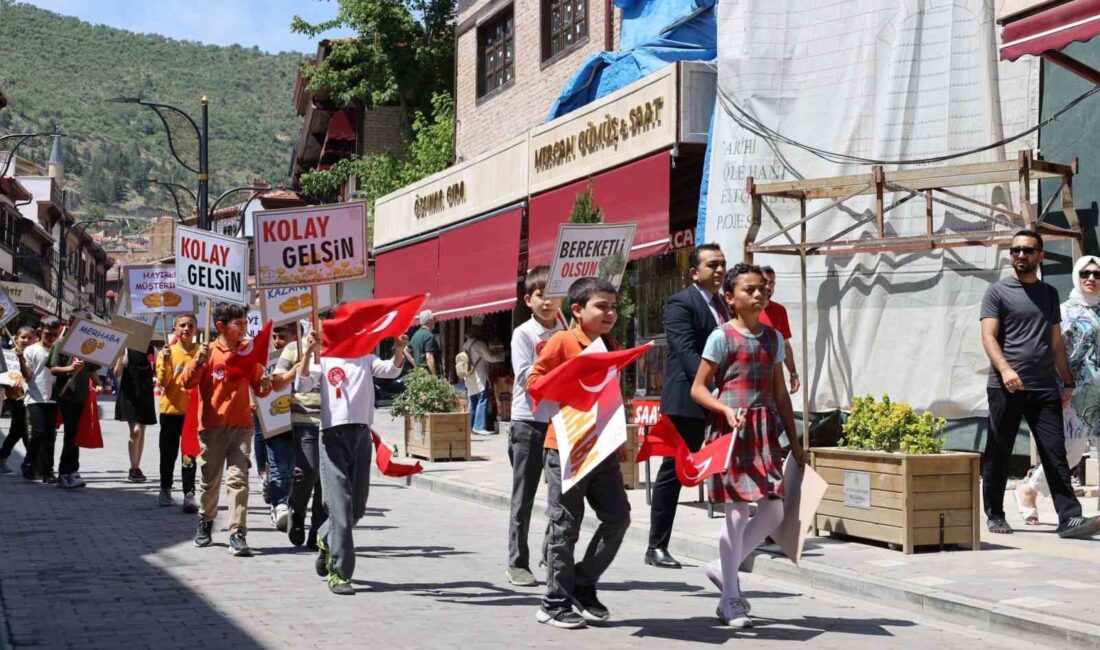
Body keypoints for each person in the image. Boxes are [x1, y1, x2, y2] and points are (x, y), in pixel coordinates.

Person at [690, 263, 809, 627]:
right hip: (732, 432)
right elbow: (698, 388)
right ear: (730, 298)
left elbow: (779, 394)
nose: (758, 294)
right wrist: (724, 408)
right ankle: (730, 599)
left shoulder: (773, 339)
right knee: (738, 514)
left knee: (773, 513)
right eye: (749, 290)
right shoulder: (721, 337)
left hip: (765, 433)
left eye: (762, 289)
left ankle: (721, 567)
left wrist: (796, 441)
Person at [980, 230, 1099, 539]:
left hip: (1044, 386)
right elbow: (988, 337)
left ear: (1040, 255)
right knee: (1000, 450)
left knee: (1054, 452)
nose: (1021, 255)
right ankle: (994, 513)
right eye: (1016, 250)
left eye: (1028, 250)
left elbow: (1056, 342)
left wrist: (1068, 380)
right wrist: (1005, 370)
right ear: (1011, 254)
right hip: (1006, 386)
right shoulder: (997, 292)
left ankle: (1069, 518)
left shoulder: (1048, 293)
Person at [529, 277, 630, 630]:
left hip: (601, 449)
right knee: (564, 526)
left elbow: (609, 396)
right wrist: (566, 379)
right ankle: (553, 602)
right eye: (601, 306)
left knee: (618, 517)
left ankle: (583, 585)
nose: (610, 313)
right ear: (576, 309)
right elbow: (534, 383)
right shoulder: (562, 341)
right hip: (566, 447)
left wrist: (618, 440)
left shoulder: (608, 344)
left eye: (612, 306)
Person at [295, 318, 406, 595]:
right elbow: (302, 384)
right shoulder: (325, 360)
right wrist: (308, 353)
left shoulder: (366, 359)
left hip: (361, 435)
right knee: (340, 509)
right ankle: (341, 573)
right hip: (332, 436)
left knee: (356, 507)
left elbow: (391, 371)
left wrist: (399, 349)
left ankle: (324, 536)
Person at [647, 243, 728, 569]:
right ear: (695, 272)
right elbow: (685, 352)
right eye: (712, 265)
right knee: (674, 472)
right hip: (688, 401)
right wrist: (713, 387)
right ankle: (656, 546)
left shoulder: (722, 304)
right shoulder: (681, 303)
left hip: (718, 400)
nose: (720, 270)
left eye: (722, 264)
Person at [1015, 254, 1100, 524]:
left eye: (1098, 275)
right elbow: (1052, 349)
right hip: (1071, 392)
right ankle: (1029, 490)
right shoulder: (1064, 311)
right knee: (1070, 451)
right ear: (1077, 276)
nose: (1091, 279)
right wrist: (1059, 385)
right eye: (1086, 273)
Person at [183, 302, 272, 557]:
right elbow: (187, 383)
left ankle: (237, 532)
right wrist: (197, 362)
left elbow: (261, 388)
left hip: (242, 426)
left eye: (246, 322)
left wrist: (265, 382)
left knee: (238, 480)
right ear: (221, 326)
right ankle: (206, 520)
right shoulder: (208, 352)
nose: (245, 327)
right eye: (239, 323)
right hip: (212, 427)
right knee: (210, 482)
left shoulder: (248, 352)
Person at [505, 265, 564, 587]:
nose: (547, 302)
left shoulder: (569, 331)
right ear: (529, 299)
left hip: (561, 423)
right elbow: (527, 377)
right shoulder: (524, 334)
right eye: (541, 296)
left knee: (561, 497)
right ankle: (517, 562)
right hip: (528, 422)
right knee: (523, 497)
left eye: (553, 295)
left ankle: (550, 552)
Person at [276, 324, 325, 549]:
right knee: (309, 471)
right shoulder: (293, 348)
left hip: (332, 422)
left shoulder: (338, 349)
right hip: (305, 419)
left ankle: (318, 528)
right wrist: (300, 362)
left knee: (326, 479)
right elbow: (277, 382)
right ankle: (296, 509)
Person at [49, 309, 100, 490]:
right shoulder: (61, 343)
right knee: (70, 435)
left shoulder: (89, 344)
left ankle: (73, 470)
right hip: (67, 396)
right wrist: (70, 368)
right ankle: (64, 472)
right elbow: (53, 368)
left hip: (81, 396)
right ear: (69, 325)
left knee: (76, 435)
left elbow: (94, 367)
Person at [154, 314, 200, 511]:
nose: (186, 328)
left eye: (190, 325)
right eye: (182, 325)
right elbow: (163, 383)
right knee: (168, 453)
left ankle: (189, 494)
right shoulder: (167, 352)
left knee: (189, 454)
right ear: (175, 329)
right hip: (170, 410)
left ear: (196, 330)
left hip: (192, 413)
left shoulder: (202, 352)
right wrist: (164, 362)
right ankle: (165, 489)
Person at [263, 324, 299, 532]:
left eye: (282, 336)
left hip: (297, 420)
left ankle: (287, 503)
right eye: (274, 336)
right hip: (273, 419)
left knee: (292, 469)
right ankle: (279, 506)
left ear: (295, 336)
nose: (277, 340)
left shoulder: (304, 355)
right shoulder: (267, 357)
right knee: (276, 464)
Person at [22, 318, 59, 483]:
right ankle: (30, 462)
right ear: (40, 330)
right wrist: (21, 361)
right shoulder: (31, 350)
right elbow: (28, 375)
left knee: (50, 435)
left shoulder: (59, 350)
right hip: (35, 396)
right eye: (48, 333)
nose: (51, 337)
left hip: (53, 397)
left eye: (54, 334)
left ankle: (48, 471)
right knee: (38, 432)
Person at [114, 345, 158, 483]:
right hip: (130, 395)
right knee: (136, 431)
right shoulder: (126, 348)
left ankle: (136, 468)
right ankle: (133, 468)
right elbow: (116, 373)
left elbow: (159, 370)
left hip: (145, 393)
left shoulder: (153, 349)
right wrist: (121, 356)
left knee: (141, 432)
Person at [760, 266, 801, 394]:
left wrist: (793, 373)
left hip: (773, 376)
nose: (768, 286)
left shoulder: (779, 311)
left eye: (771, 283)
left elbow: (785, 345)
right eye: (764, 282)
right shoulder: (746, 309)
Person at [0, 326, 35, 475]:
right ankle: (31, 462)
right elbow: (4, 375)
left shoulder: (33, 353)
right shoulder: (8, 355)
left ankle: (3, 456)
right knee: (25, 429)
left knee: (17, 430)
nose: (26, 340)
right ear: (16, 338)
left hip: (32, 397)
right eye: (23, 337)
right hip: (16, 397)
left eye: (29, 338)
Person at [460, 327, 505, 435]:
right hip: (480, 376)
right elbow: (489, 357)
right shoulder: (479, 344)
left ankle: (471, 426)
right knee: (482, 400)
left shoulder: (465, 345)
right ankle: (479, 426)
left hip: (469, 377)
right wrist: (501, 356)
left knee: (473, 401)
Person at [410, 310, 442, 377]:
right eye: (433, 319)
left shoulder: (416, 335)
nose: (435, 322)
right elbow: (429, 357)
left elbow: (405, 350)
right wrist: (434, 376)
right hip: (428, 376)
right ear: (430, 321)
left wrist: (416, 364)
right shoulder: (429, 335)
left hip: (419, 375)